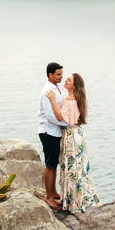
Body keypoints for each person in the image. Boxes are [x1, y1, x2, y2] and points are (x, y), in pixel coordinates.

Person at [46, 72, 100, 213]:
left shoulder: (69, 100)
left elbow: (60, 117)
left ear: (74, 86)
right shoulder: (77, 98)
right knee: (80, 169)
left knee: (71, 170)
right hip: (78, 133)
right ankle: (76, 199)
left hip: (71, 136)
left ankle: (72, 202)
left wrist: (52, 100)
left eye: (69, 80)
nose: (66, 80)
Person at [38, 62, 68, 210]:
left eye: (61, 74)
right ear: (50, 75)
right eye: (58, 74)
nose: (61, 77)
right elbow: (50, 116)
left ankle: (54, 191)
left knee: (54, 163)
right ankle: (48, 196)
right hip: (48, 132)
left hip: (56, 132)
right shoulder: (47, 91)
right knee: (50, 164)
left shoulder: (58, 88)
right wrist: (66, 122)